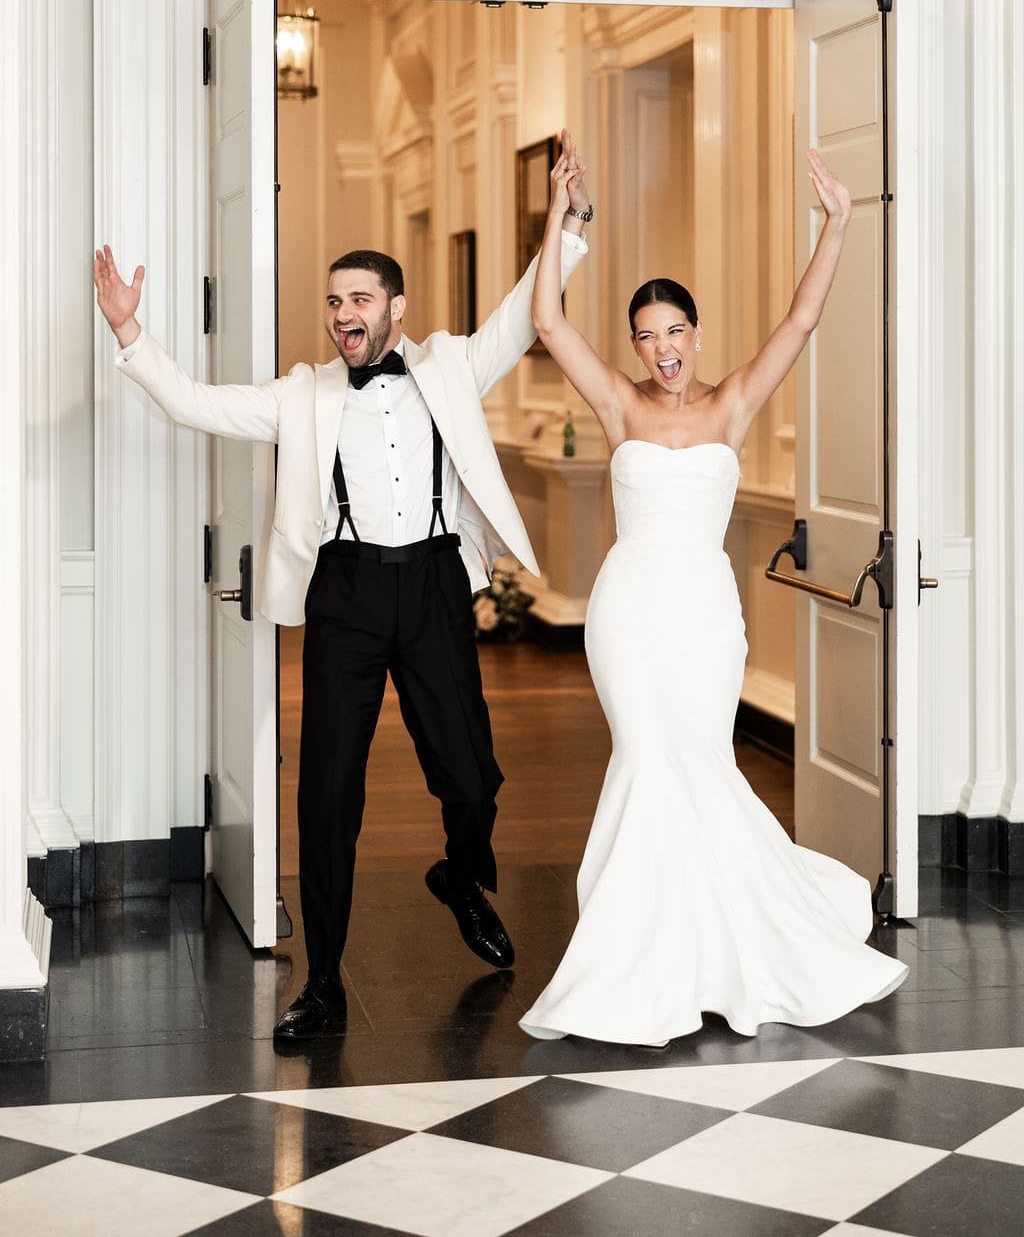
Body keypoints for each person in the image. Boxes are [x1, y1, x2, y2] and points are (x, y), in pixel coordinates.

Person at [93, 205, 589, 1043]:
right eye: (333, 301)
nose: (344, 314)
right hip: (348, 593)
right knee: (327, 793)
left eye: (360, 298)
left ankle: (462, 877)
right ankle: (323, 981)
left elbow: (521, 311)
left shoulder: (455, 365)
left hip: (432, 583)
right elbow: (196, 406)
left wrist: (566, 228)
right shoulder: (303, 393)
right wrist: (130, 332)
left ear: (396, 305)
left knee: (472, 778)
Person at [519, 137, 908, 1046]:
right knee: (646, 762)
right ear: (634, 346)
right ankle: (639, 958)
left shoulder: (733, 402)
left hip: (703, 611)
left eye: (675, 332)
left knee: (698, 764)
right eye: (647, 337)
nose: (663, 350)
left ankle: (715, 948)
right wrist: (555, 216)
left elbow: (800, 324)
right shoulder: (617, 403)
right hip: (629, 610)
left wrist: (839, 226)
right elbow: (546, 322)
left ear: (696, 334)